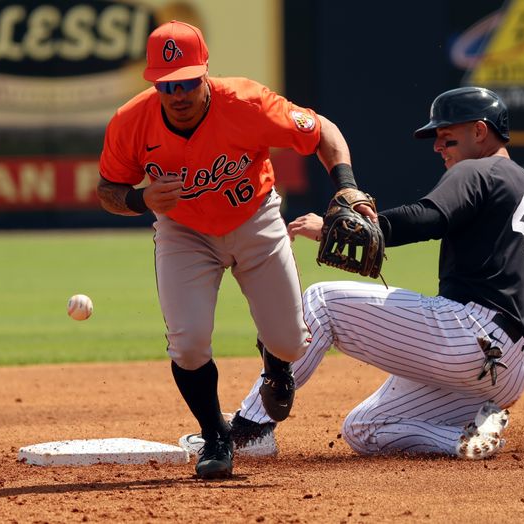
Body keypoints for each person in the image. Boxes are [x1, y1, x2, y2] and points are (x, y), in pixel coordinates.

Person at [180, 86, 524, 460]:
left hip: (470, 336)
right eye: (436, 140)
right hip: (509, 373)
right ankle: (463, 435)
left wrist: (337, 228)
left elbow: (428, 217)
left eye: (447, 135)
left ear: (480, 131)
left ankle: (251, 429)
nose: (439, 146)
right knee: (363, 429)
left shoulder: (481, 169)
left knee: (320, 302)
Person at [96, 20, 373, 478]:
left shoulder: (247, 103)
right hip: (184, 232)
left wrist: (346, 186)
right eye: (167, 85)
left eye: (187, 81)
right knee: (187, 345)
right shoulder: (131, 121)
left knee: (289, 340)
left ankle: (276, 363)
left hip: (254, 219)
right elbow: (108, 189)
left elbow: (322, 131)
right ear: (154, 83)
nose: (179, 94)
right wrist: (138, 199)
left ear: (205, 73)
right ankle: (216, 436)